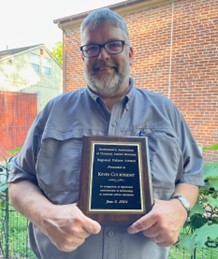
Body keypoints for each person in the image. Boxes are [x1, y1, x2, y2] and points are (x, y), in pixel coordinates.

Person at [8, 7, 204, 259]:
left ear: (130, 53)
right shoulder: (54, 112)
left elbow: (192, 173)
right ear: (82, 57)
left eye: (113, 45)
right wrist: (45, 215)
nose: (102, 56)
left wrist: (180, 206)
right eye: (91, 48)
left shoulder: (165, 112)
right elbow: (19, 179)